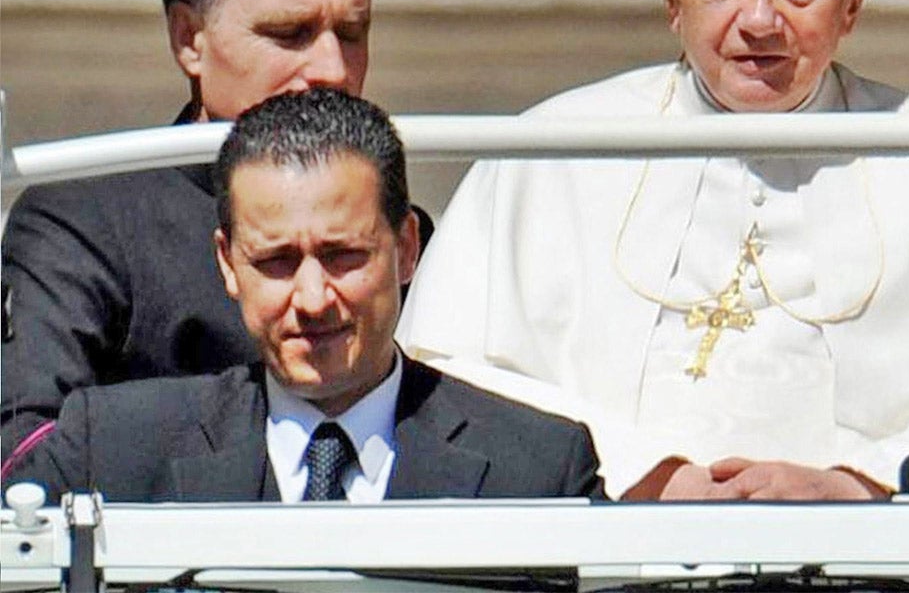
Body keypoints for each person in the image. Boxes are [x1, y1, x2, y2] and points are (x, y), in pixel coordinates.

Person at [397, 0, 909, 500]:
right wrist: (642, 472)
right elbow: (446, 379)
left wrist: (865, 483)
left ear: (853, 2)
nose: (759, 19)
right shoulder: (548, 153)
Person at [1, 0, 434, 466]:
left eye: (352, 33)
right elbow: (26, 464)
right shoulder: (84, 221)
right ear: (189, 40)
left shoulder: (408, 229)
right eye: (290, 33)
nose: (333, 68)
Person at [5, 89, 605, 504]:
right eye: (276, 262)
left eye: (344, 256)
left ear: (406, 249)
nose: (314, 298)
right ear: (228, 264)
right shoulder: (111, 450)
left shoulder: (539, 469)